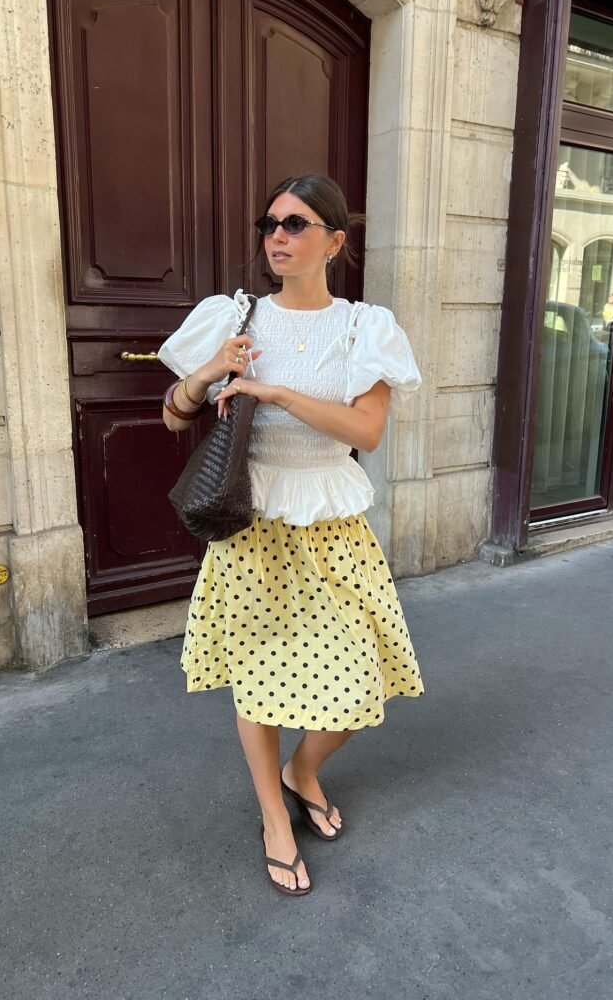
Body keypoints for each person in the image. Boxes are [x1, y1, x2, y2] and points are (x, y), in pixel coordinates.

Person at [159, 172, 424, 897]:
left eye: (297, 223)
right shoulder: (232, 315)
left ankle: (302, 769)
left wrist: (276, 392)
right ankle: (275, 816)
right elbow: (173, 415)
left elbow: (364, 428)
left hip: (333, 527)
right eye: (270, 223)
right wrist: (209, 373)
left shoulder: (363, 328)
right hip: (251, 528)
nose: (277, 235)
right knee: (257, 679)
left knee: (360, 678)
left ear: (334, 241)